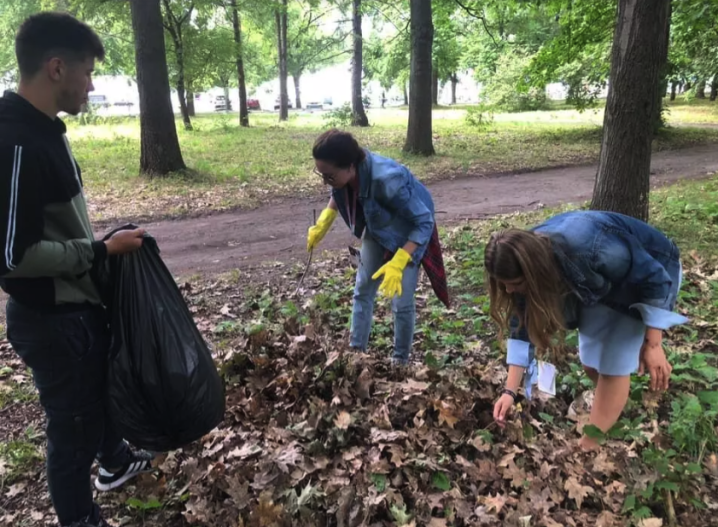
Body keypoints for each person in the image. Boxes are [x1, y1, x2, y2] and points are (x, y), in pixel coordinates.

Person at [0, 13, 152, 527]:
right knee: (72, 431)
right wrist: (100, 251)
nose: (92, 84)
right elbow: (12, 256)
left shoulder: (43, 130)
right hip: (52, 318)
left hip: (74, 308)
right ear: (57, 68)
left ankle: (115, 462)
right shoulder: (14, 142)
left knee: (93, 398)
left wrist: (98, 248)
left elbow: (54, 222)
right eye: (88, 73)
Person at [485, 210, 687, 449]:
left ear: (534, 271)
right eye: (503, 285)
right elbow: (521, 325)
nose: (508, 291)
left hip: (647, 278)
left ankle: (588, 447)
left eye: (514, 284)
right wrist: (509, 391)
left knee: (613, 365)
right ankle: (612, 412)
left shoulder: (589, 248)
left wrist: (653, 344)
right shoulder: (524, 257)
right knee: (591, 363)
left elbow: (654, 278)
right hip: (601, 286)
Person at [307, 129, 449, 364]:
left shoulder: (387, 180)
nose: (325, 181)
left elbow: (424, 221)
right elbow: (339, 188)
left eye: (328, 176)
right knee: (363, 290)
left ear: (350, 166)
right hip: (378, 226)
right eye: (320, 174)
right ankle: (355, 352)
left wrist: (401, 259)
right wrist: (325, 220)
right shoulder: (345, 172)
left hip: (408, 233)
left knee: (401, 302)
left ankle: (400, 362)